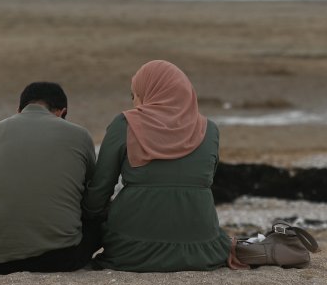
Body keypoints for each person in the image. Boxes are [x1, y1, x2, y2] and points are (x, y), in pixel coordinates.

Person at [83, 60, 247, 272]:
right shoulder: (210, 130)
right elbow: (205, 181)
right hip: (201, 247)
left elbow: (100, 190)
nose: (134, 102)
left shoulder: (124, 124)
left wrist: (87, 216)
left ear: (149, 93)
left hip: (131, 248)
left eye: (135, 95)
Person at [0, 82, 100, 274]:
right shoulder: (80, 135)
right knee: (109, 212)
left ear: (19, 110)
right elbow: (94, 200)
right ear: (62, 112)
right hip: (64, 259)